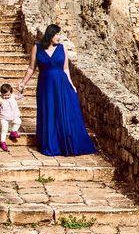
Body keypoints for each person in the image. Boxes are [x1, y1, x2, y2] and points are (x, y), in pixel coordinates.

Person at [18, 23, 96, 156]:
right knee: (49, 112)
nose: (59, 37)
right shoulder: (37, 48)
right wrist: (23, 83)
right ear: (50, 34)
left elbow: (65, 68)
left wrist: (71, 84)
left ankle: (64, 143)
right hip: (45, 86)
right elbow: (31, 68)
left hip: (62, 84)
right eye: (57, 34)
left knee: (63, 112)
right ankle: (50, 143)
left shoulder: (62, 48)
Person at [0, 83, 22, 152]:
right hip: (4, 117)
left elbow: (19, 96)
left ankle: (13, 132)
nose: (6, 96)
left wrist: (20, 91)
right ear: (1, 93)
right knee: (4, 129)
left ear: (11, 92)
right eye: (4, 95)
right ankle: (2, 141)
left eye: (8, 95)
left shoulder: (13, 96)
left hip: (13, 116)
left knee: (18, 121)